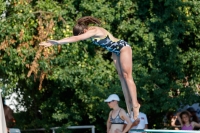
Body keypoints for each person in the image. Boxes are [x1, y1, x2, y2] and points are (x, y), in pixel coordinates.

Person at [39, 16, 140, 119]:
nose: (85, 38)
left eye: (84, 35)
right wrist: (57, 42)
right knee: (121, 77)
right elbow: (74, 37)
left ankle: (135, 104)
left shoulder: (94, 30)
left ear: (85, 30)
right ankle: (129, 104)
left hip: (123, 48)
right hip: (115, 52)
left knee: (127, 76)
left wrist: (57, 42)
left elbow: (76, 38)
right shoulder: (89, 32)